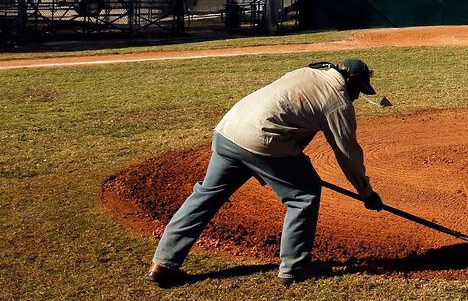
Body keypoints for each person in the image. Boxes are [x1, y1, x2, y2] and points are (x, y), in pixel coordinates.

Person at [146, 59, 384, 288]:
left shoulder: (307, 74)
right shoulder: (337, 101)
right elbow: (347, 153)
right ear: (350, 81)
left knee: (206, 196)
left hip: (229, 130)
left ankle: (163, 263)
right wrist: (366, 192)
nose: (357, 96)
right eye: (359, 90)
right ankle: (295, 267)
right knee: (304, 194)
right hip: (261, 138)